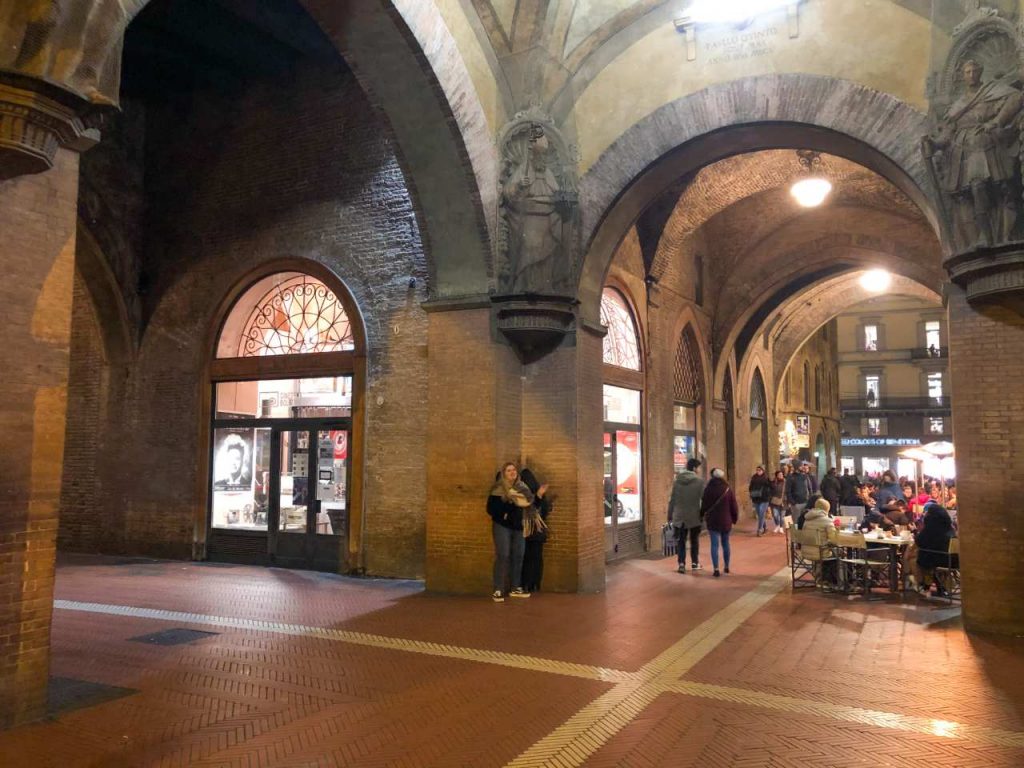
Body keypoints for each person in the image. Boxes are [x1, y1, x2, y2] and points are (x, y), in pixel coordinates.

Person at [487, 462, 534, 602]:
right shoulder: (498, 489)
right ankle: (498, 589)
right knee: (503, 555)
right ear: (503, 473)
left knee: (518, 555)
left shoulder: (523, 488)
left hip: (519, 526)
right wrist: (507, 508)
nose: (512, 472)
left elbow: (529, 504)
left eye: (513, 470)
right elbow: (491, 509)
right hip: (503, 526)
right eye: (508, 470)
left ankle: (515, 587)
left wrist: (536, 497)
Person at [669, 458, 705, 573]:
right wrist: (703, 514)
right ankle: (694, 563)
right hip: (694, 515)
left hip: (679, 516)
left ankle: (681, 564)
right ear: (694, 468)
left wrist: (670, 515)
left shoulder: (677, 481)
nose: (700, 470)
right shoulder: (699, 482)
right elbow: (703, 500)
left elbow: (672, 500)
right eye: (699, 467)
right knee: (694, 540)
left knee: (681, 541)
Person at [701, 468, 739, 578]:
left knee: (714, 544)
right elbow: (734, 505)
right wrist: (734, 518)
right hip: (726, 520)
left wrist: (701, 514)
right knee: (726, 543)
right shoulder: (727, 489)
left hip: (713, 521)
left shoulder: (708, 489)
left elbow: (704, 505)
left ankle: (716, 568)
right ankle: (726, 566)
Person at [914, 503, 958, 596]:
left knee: (918, 558)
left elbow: (919, 541)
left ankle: (923, 584)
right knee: (926, 557)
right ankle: (939, 586)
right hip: (954, 560)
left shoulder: (930, 527)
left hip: (939, 560)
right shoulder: (949, 527)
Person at [519, 468, 550, 593]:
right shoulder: (540, 494)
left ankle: (525, 583)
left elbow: (528, 509)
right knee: (536, 558)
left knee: (526, 558)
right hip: (538, 532)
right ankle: (535, 584)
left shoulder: (524, 495)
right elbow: (545, 511)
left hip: (527, 531)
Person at [748, 466, 773, 536]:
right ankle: (765, 528)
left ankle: (759, 530)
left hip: (764, 498)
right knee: (760, 515)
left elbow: (771, 486)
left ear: (763, 470)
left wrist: (769, 494)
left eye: (760, 470)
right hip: (756, 498)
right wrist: (751, 493)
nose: (758, 471)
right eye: (757, 470)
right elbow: (750, 486)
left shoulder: (766, 477)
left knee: (762, 513)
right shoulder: (754, 477)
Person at [769, 469, 786, 534]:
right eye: (779, 475)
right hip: (774, 501)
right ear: (776, 476)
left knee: (782, 516)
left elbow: (788, 491)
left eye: (781, 474)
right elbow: (770, 491)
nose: (781, 476)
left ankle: (781, 527)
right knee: (775, 515)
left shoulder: (786, 482)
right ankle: (777, 525)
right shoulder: (773, 482)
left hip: (784, 501)